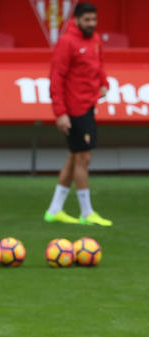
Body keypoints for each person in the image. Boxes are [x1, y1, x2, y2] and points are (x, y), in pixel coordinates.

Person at [43, 2, 112, 227]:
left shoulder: (95, 39)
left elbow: (99, 65)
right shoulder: (67, 42)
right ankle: (86, 212)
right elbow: (56, 78)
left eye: (94, 20)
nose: (91, 24)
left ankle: (54, 210)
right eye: (87, 21)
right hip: (74, 109)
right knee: (83, 158)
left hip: (89, 104)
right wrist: (60, 113)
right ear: (77, 20)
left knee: (75, 157)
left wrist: (103, 83)